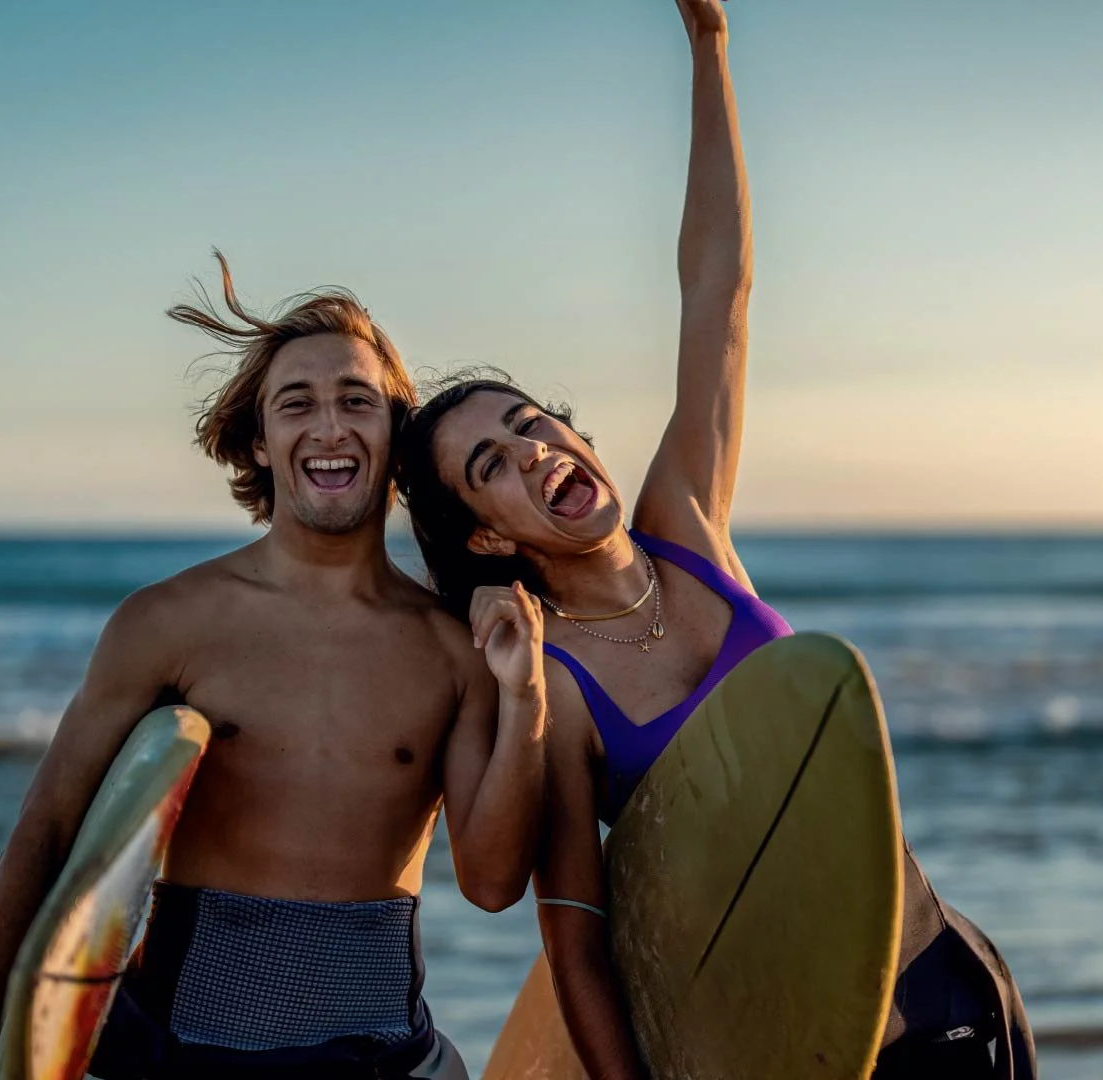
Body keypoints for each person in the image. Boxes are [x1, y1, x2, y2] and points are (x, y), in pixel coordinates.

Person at [395, 2, 1036, 1077]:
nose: (534, 453)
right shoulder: (553, 691)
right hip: (784, 1036)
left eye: (532, 424)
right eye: (492, 466)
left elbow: (718, 293)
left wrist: (711, 47)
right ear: (487, 538)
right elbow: (578, 944)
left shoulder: (685, 522)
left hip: (940, 963)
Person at [0, 259, 549, 1080]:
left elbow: (493, 884)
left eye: (357, 401)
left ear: (393, 432)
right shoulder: (168, 623)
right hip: (184, 1058)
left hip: (383, 1060)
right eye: (296, 404)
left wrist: (525, 698)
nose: (330, 428)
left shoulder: (454, 651)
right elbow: (45, 836)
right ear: (260, 441)